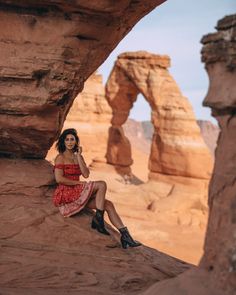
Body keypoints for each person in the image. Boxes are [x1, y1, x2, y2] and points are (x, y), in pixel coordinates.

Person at [53, 128, 141, 249]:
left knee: (109, 205)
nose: (69, 142)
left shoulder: (78, 156)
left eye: (72, 139)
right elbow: (59, 179)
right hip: (67, 193)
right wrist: (78, 184)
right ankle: (98, 220)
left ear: (76, 141)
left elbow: (85, 174)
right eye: (67, 139)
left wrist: (78, 156)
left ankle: (125, 236)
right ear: (63, 142)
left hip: (78, 193)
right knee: (101, 184)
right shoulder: (60, 158)